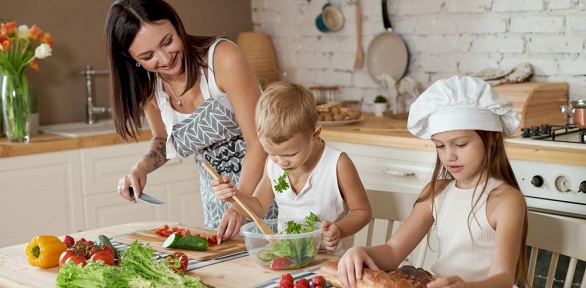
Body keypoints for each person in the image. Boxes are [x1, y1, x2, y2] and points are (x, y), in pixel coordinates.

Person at [104, 0, 277, 239]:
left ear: (177, 26)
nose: (165, 59)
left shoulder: (222, 58)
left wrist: (241, 204)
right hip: (216, 200)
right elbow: (164, 139)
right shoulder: (150, 85)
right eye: (148, 56)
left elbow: (259, 141)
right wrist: (140, 169)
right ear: (131, 57)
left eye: (167, 42)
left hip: (264, 189)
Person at [337, 76, 529, 288]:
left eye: (461, 144)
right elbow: (393, 252)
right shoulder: (436, 191)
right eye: (440, 146)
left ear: (492, 137)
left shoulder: (506, 200)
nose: (449, 156)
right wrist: (360, 252)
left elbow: (503, 278)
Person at [211, 81, 372, 255]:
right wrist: (233, 197)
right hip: (289, 257)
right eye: (272, 153)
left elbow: (362, 211)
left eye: (290, 155)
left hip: (330, 262)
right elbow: (258, 207)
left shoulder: (338, 164)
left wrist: (340, 230)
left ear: (315, 134)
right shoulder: (272, 163)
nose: (281, 162)